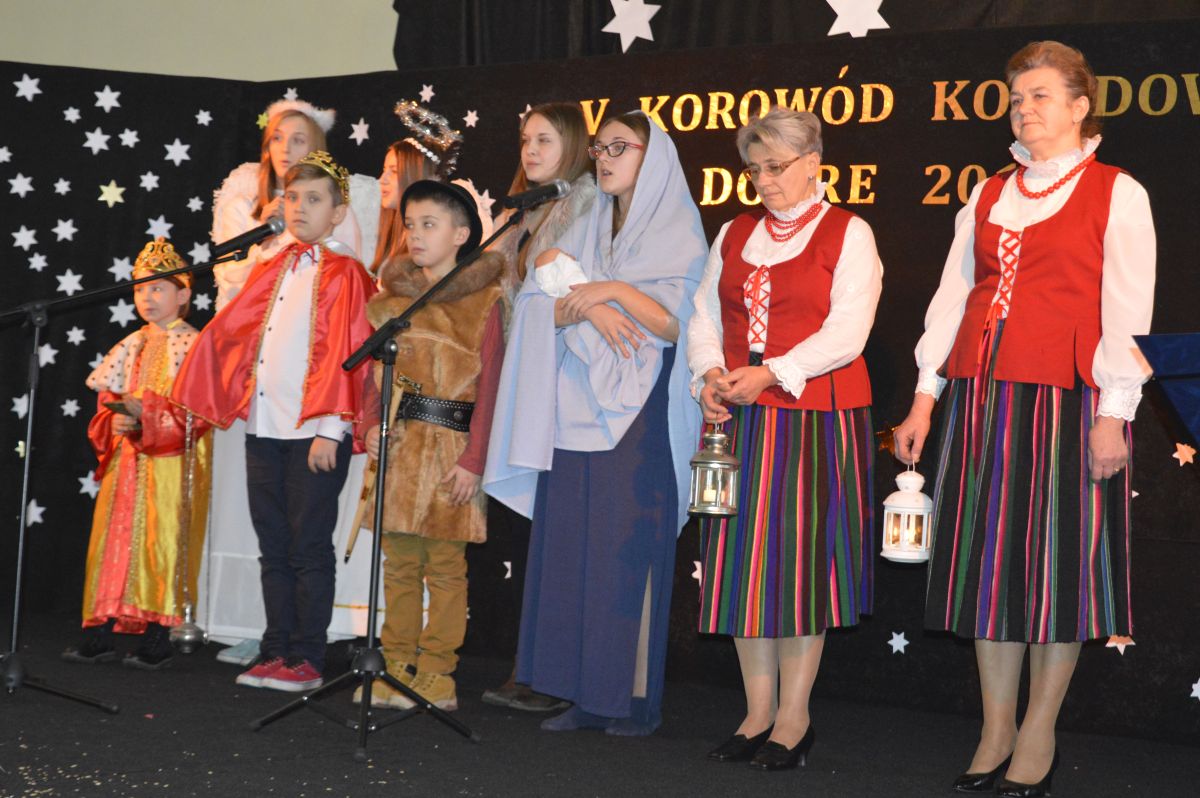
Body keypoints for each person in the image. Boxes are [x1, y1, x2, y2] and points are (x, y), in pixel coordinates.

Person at [892, 41, 1155, 796]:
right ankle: (996, 727)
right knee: (988, 567)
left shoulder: (1117, 192)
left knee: (1056, 569)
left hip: (1067, 400)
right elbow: (952, 299)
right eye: (1016, 98)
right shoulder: (988, 193)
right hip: (982, 398)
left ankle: (1039, 731)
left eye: (1040, 95)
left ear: (1080, 106)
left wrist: (1114, 412)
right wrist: (924, 396)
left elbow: (1127, 313)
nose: (1025, 109)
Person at [485, 110, 706, 735]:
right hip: (575, 406)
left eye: (619, 147)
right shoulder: (584, 226)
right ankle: (577, 691)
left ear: (652, 158)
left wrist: (612, 294)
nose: (604, 158)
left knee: (623, 553)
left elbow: (679, 323)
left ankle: (628, 700)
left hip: (641, 416)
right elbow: (539, 302)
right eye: (600, 149)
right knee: (571, 549)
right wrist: (584, 308)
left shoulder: (681, 232)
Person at [687, 107, 883, 770]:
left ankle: (794, 718)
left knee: (800, 566)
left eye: (775, 167)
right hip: (740, 417)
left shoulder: (849, 232)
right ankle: (757, 712)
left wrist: (772, 372)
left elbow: (847, 332)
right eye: (754, 169)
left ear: (813, 165)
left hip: (812, 417)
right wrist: (709, 373)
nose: (763, 180)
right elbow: (704, 314)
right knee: (742, 565)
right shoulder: (735, 232)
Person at [173, 151, 376, 692]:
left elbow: (349, 352)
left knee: (308, 547)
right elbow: (239, 334)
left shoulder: (347, 273)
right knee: (274, 547)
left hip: (313, 434)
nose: (300, 207)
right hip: (265, 430)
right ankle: (275, 648)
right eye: (293, 197)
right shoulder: (273, 266)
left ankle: (307, 656)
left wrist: (331, 428)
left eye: (314, 199)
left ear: (338, 213)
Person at [356, 180, 504, 711]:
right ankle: (395, 666)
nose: (415, 235)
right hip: (401, 450)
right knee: (398, 567)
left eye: (429, 225)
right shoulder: (389, 304)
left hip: (451, 454)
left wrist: (474, 460)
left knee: (444, 570)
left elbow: (493, 388)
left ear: (461, 235)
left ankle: (438, 673)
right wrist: (369, 427)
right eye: (410, 225)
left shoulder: (485, 302)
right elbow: (373, 380)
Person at [478, 101, 596, 713]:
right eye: (525, 139)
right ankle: (529, 664)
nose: (530, 150)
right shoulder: (522, 211)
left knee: (557, 534)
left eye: (544, 140)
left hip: (563, 385)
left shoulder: (587, 204)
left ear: (573, 145)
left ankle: (554, 672)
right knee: (529, 534)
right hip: (520, 377)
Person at [62, 238, 211, 671]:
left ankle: (159, 634)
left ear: (183, 295)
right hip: (127, 463)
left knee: (162, 540)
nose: (148, 297)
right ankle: (101, 630)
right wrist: (114, 423)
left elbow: (198, 412)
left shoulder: (195, 346)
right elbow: (106, 403)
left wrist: (149, 418)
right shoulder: (131, 344)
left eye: (158, 288)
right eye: (141, 288)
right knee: (114, 540)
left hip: (170, 464)